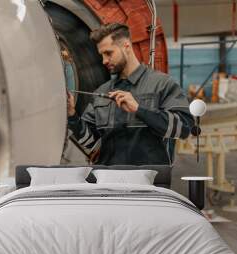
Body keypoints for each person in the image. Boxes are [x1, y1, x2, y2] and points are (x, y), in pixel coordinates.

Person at [67, 23, 194, 165]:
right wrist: (72, 116)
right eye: (102, 55)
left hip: (150, 182)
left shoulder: (162, 84)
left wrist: (139, 110)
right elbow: (90, 141)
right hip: (109, 181)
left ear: (126, 46)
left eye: (108, 53)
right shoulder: (102, 92)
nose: (104, 61)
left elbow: (184, 129)